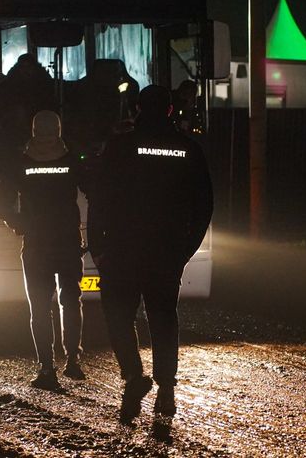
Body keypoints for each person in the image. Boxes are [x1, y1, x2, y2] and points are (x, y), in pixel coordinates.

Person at [88, 85, 213, 424]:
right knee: (163, 318)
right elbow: (204, 206)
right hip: (166, 251)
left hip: (122, 249)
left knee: (117, 317)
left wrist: (98, 247)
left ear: (137, 107)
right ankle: (166, 389)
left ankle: (133, 377)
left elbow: (100, 198)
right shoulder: (188, 149)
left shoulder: (120, 146)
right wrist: (185, 250)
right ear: (171, 110)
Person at [0, 110, 86, 391]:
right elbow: (95, 188)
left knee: (39, 307)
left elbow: (3, 203)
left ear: (33, 131)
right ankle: (72, 361)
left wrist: (20, 225)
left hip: (37, 244)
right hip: (68, 241)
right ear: (59, 130)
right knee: (71, 300)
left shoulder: (20, 163)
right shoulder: (72, 161)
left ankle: (47, 367)